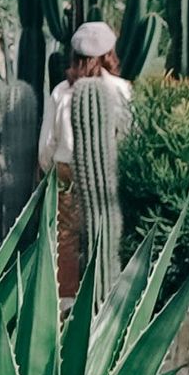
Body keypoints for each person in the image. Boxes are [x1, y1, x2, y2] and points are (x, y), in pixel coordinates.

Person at [34, 21, 123, 293]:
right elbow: (129, 134)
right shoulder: (121, 90)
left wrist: (49, 169)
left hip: (66, 169)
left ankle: (66, 302)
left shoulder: (62, 90)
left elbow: (47, 143)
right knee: (105, 232)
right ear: (109, 54)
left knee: (66, 239)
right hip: (108, 171)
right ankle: (103, 295)